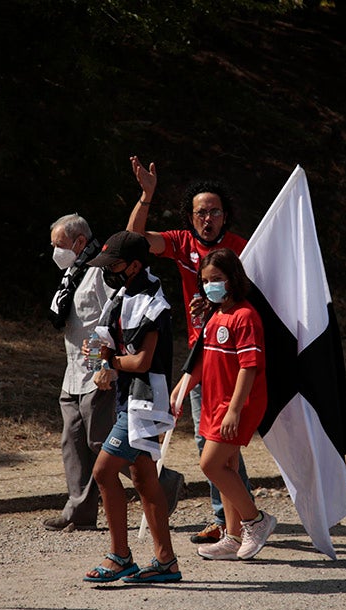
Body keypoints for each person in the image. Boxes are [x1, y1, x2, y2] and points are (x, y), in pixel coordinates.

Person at [126, 155, 253, 545]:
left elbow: (256, 299)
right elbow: (131, 241)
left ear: (225, 215)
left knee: (218, 439)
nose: (207, 218)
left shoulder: (241, 249)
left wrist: (217, 307)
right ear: (191, 217)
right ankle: (233, 518)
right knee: (208, 438)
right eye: (200, 212)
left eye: (214, 211)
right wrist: (146, 196)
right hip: (201, 354)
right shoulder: (183, 244)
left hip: (235, 355)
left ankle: (241, 520)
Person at [44, 214, 183, 533]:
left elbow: (116, 321)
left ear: (79, 242)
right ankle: (79, 512)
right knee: (73, 441)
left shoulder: (102, 273)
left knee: (99, 442)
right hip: (73, 371)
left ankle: (165, 481)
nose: (56, 251)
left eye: (60, 245)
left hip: (99, 372)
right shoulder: (73, 273)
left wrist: (108, 362)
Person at [82, 230, 181, 583]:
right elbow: (100, 343)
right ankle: (166, 561)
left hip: (145, 401)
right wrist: (98, 360)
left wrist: (110, 364)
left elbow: (141, 362)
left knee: (103, 472)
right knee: (143, 479)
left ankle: (121, 556)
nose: (108, 272)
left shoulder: (155, 302)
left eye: (114, 265)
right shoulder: (121, 295)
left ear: (135, 265)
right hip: (127, 400)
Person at [170, 248, 276, 560]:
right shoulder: (216, 316)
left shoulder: (245, 316)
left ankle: (255, 520)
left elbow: (249, 367)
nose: (211, 285)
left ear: (233, 278)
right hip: (214, 402)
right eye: (205, 280)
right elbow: (202, 362)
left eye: (217, 278)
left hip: (238, 405)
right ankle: (232, 536)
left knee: (210, 464)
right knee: (226, 465)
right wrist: (181, 388)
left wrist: (234, 409)